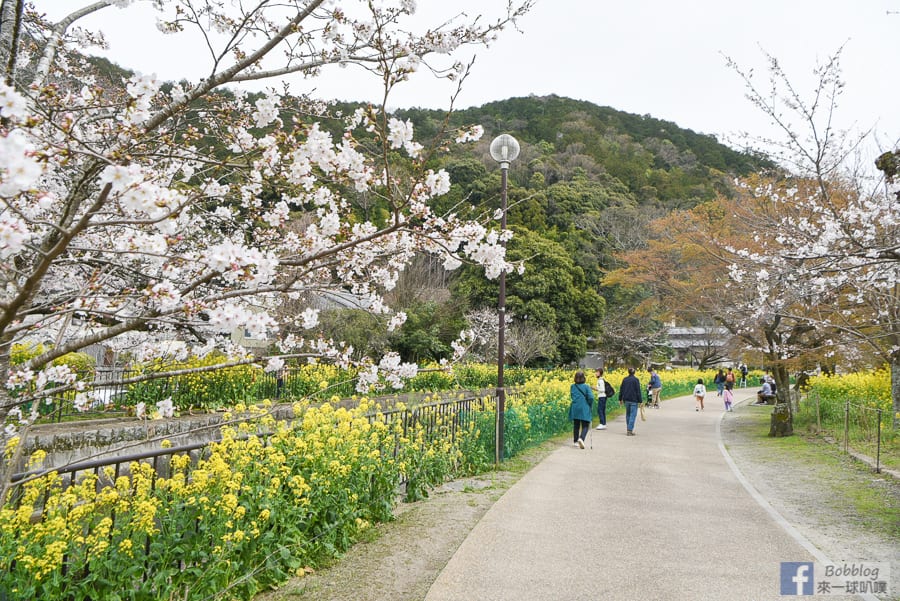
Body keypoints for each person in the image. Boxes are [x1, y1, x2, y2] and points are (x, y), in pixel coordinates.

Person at [569, 370, 594, 448]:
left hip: (575, 407)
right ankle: (581, 438)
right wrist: (590, 405)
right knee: (585, 425)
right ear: (583, 378)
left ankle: (575, 441)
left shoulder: (573, 386)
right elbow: (591, 397)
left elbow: (572, 396)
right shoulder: (586, 386)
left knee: (576, 425)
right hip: (584, 407)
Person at [619, 367, 642, 436]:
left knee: (628, 414)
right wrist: (640, 401)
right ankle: (629, 430)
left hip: (626, 400)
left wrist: (620, 399)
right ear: (634, 372)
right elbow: (638, 391)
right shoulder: (636, 380)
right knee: (633, 415)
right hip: (634, 400)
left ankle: (628, 429)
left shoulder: (625, 379)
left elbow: (621, 390)